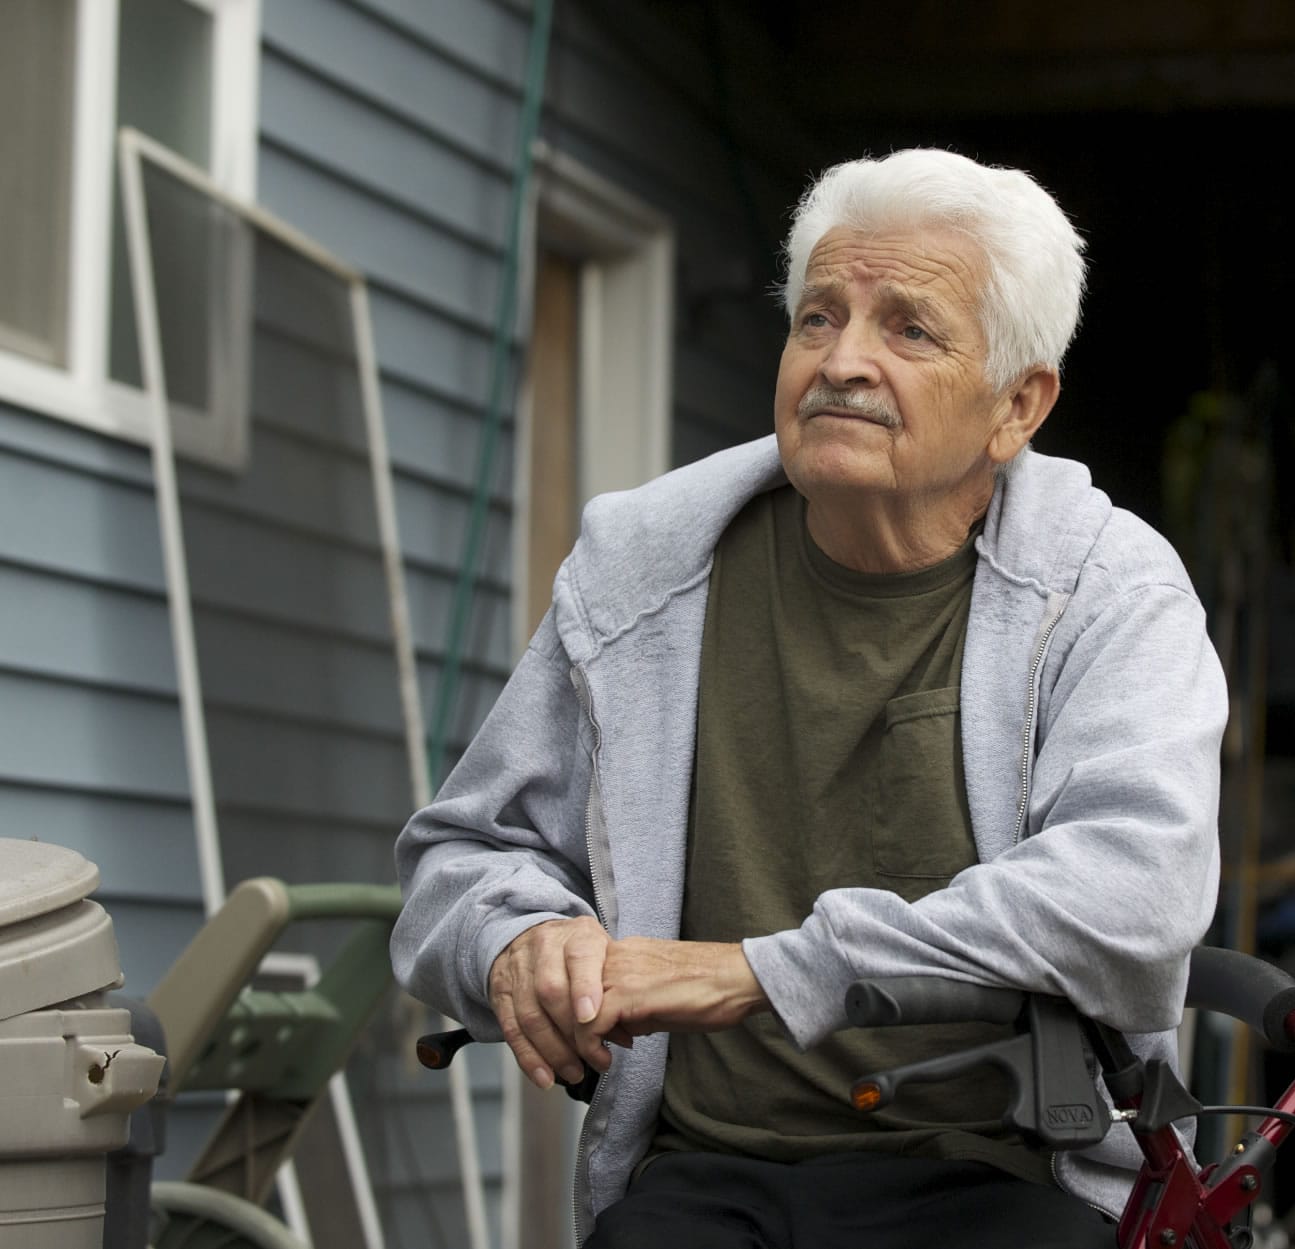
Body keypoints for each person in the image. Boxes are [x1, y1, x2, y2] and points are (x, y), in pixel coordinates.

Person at [390, 148, 1226, 1248]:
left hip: (998, 1171)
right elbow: (458, 856)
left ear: (1016, 404)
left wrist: (757, 972)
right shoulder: (641, 569)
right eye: (818, 318)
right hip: (706, 1168)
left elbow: (1131, 892)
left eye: (908, 330)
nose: (844, 361)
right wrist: (520, 936)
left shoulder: (1106, 591)